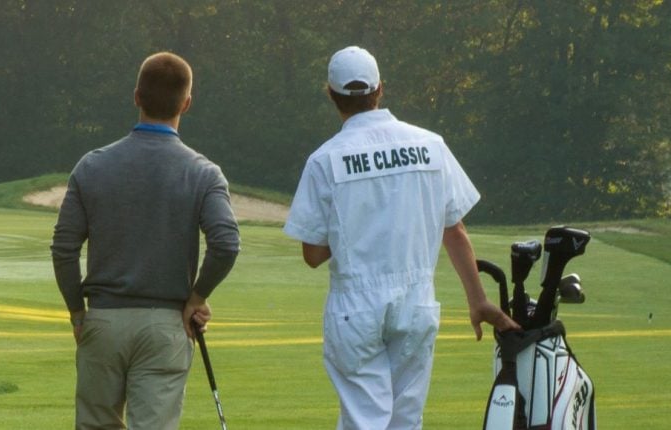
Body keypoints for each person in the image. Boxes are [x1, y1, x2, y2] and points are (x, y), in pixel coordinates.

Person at [283, 46, 520, 430]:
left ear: (331, 94)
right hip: (416, 302)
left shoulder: (325, 159)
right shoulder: (431, 145)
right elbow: (453, 228)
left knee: (365, 421)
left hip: (355, 307)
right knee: (405, 421)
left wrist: (353, 229)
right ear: (380, 90)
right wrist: (477, 300)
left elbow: (312, 253)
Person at [51, 51, 240, 430]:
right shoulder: (203, 172)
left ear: (136, 96)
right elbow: (226, 244)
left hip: (102, 321)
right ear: (186, 103)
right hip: (165, 325)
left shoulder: (92, 166)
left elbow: (64, 248)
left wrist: (76, 311)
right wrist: (196, 299)